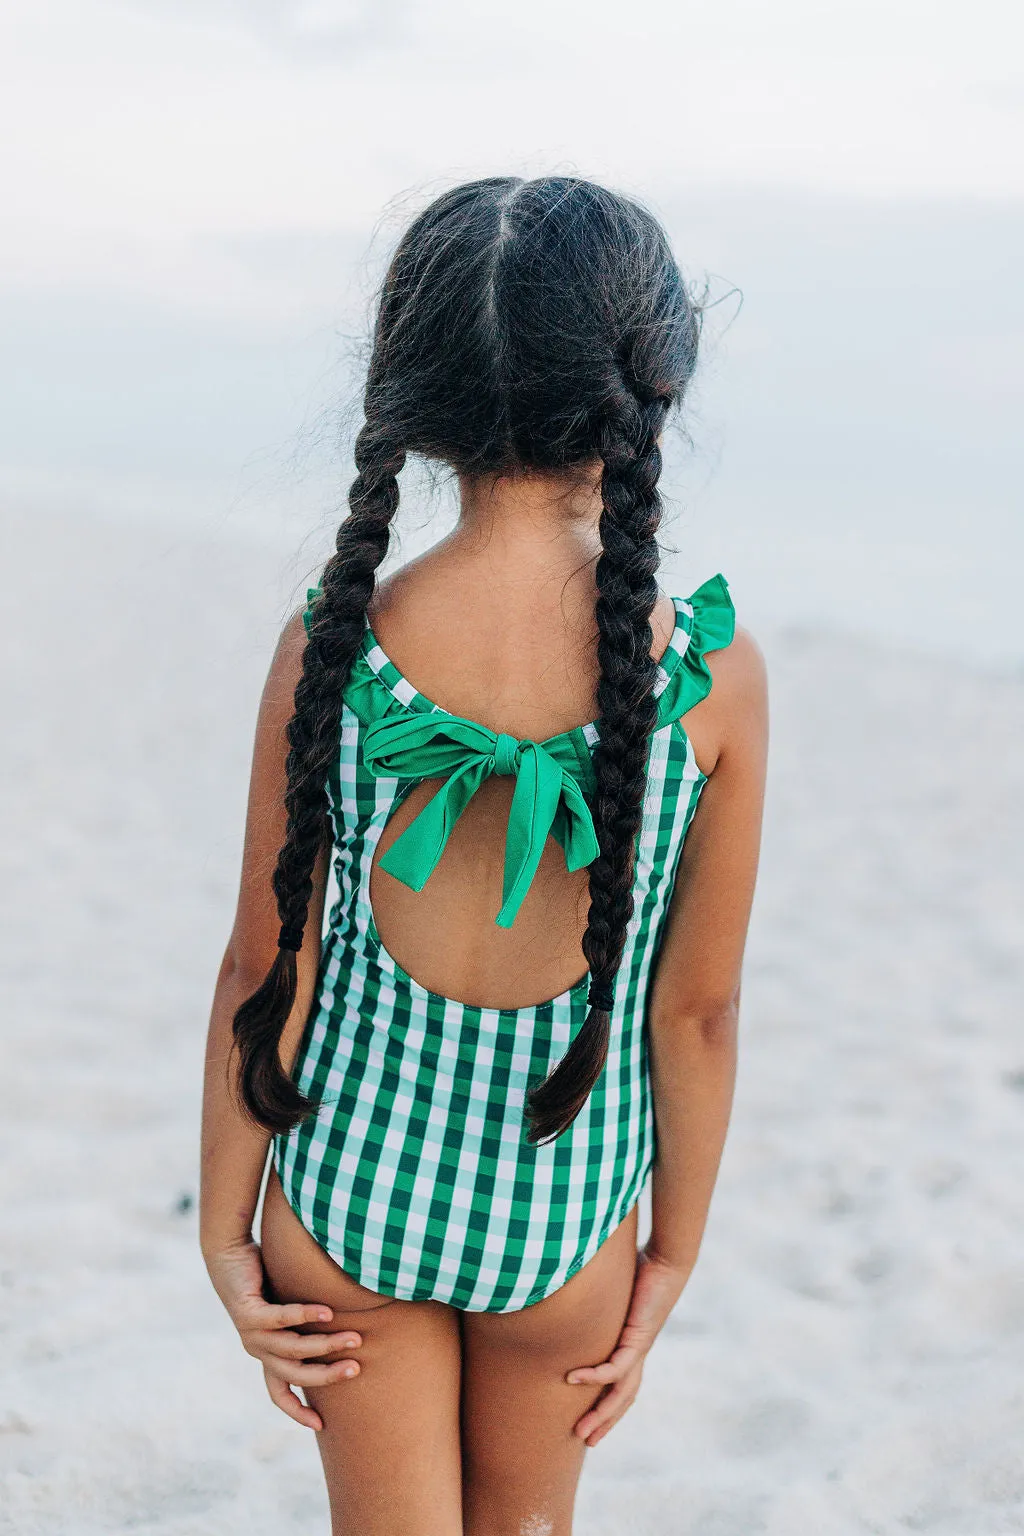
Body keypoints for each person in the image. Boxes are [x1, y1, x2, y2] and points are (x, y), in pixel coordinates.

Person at [200, 176, 768, 1536]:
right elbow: (695, 1018)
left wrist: (227, 1232)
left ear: (410, 393)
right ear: (657, 383)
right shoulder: (708, 675)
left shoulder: (338, 646)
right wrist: (671, 1255)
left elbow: (254, 964)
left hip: (347, 1190)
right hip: (565, 1213)